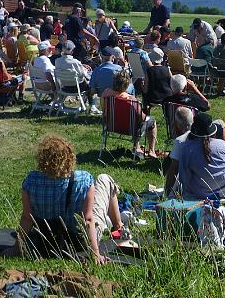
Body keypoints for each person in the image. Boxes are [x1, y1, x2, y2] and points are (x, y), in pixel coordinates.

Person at [20, 135, 124, 264]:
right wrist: (95, 254)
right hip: (80, 240)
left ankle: (111, 222)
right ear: (69, 157)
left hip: (46, 239)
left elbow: (27, 218)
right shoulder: (84, 179)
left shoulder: (31, 181)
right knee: (104, 178)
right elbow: (88, 219)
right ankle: (118, 226)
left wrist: (15, 248)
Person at [170, 112, 225, 201]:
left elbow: (185, 178)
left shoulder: (186, 149)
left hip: (203, 192)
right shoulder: (221, 144)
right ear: (213, 132)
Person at [102, 70, 158, 157]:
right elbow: (142, 118)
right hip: (130, 129)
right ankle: (151, 150)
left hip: (111, 125)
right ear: (127, 85)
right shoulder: (132, 100)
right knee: (151, 121)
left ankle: (138, 147)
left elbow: (104, 110)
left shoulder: (106, 94)